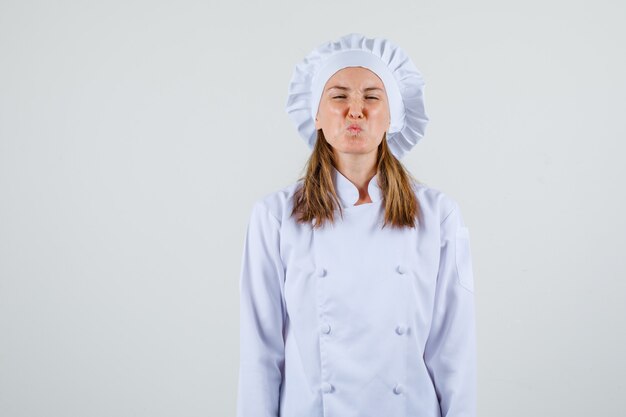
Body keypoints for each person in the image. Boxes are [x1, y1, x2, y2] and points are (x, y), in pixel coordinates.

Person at [236, 33, 476, 417]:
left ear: (393, 113)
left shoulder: (438, 215)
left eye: (371, 96)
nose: (355, 110)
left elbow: (454, 352)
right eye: (339, 95)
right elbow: (260, 354)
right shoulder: (274, 217)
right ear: (315, 113)